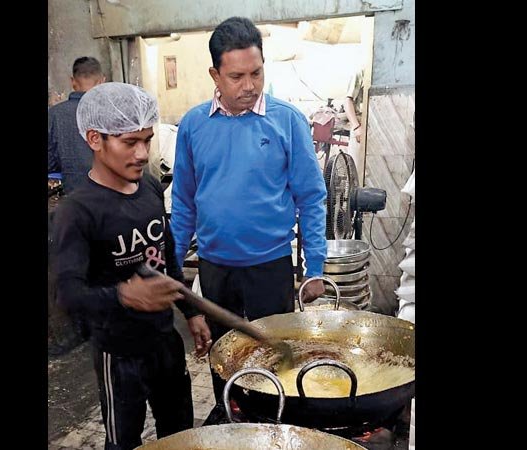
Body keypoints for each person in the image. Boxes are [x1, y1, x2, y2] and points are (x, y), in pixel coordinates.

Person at [170, 16, 328, 421]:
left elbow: (311, 198)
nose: (250, 85)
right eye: (237, 76)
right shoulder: (193, 126)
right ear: (215, 75)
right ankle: (230, 422)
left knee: (273, 359)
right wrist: (173, 269)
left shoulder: (286, 120)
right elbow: (184, 203)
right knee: (223, 359)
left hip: (270, 267)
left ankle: (273, 425)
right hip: (215, 269)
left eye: (256, 73)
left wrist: (315, 268)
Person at [52, 82, 212, 450]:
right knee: (123, 442)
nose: (142, 153)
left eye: (147, 140)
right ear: (95, 139)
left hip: (165, 342)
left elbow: (167, 257)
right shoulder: (77, 212)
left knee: (180, 435)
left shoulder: (150, 188)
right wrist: (124, 295)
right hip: (119, 352)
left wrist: (191, 312)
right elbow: (66, 294)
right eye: (130, 142)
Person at [48, 56, 106, 194]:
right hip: (113, 194)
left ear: (73, 81)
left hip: (73, 196)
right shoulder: (112, 111)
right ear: (102, 81)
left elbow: (50, 162)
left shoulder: (55, 114)